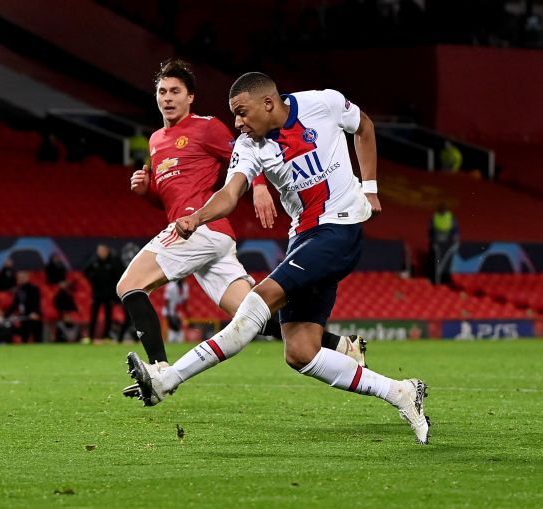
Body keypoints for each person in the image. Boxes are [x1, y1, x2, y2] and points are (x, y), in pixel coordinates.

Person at [126, 72, 430, 445]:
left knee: (256, 303)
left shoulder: (324, 103)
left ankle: (166, 379)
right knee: (300, 352)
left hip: (338, 229)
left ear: (268, 103)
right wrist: (198, 216)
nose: (237, 122)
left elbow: (363, 126)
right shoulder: (249, 146)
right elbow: (229, 192)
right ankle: (401, 392)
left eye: (241, 112)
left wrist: (370, 188)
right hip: (303, 238)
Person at [117, 59, 366, 386]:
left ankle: (159, 369)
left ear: (190, 97)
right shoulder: (156, 141)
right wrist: (147, 191)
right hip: (204, 232)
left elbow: (243, 156)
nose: (167, 98)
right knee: (248, 314)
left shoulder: (206, 126)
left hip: (201, 227)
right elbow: (170, 199)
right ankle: (341, 345)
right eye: (162, 91)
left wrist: (260, 187)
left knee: (128, 285)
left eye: (175, 91)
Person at [84, 243, 124, 342]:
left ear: (107, 251)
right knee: (94, 315)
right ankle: (90, 337)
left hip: (109, 294)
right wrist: (92, 280)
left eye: (103, 250)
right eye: (99, 251)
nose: (101, 253)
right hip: (97, 293)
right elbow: (85, 271)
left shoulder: (113, 261)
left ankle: (106, 337)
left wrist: (113, 288)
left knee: (108, 315)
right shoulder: (94, 261)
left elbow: (119, 275)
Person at [5, 271, 42, 343]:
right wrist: (6, 315)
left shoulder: (34, 288)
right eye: (19, 277)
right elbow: (15, 304)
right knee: (24, 337)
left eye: (23, 277)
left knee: (37, 338)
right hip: (24, 317)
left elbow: (36, 302)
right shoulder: (18, 290)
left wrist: (35, 312)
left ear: (27, 277)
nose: (21, 279)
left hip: (34, 316)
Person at [428, 202, 460, 284]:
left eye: (444, 209)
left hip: (447, 243)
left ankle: (446, 280)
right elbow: (431, 231)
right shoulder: (434, 217)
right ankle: (435, 280)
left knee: (447, 262)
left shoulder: (451, 217)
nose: (442, 211)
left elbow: (455, 230)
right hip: (437, 243)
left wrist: (455, 240)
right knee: (436, 262)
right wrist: (432, 241)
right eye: (441, 209)